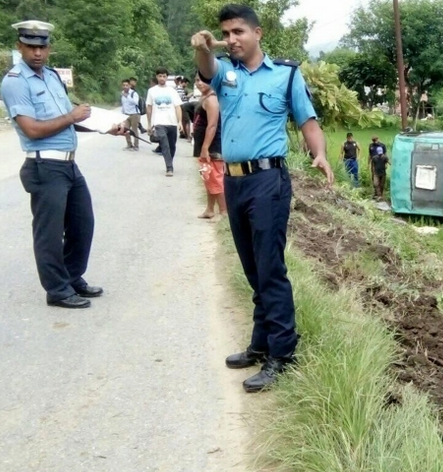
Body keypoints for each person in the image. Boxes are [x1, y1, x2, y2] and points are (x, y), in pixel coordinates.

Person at [192, 3, 334, 393]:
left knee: (270, 267)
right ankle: (260, 343)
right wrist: (203, 47)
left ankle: (283, 354)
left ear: (258, 34)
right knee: (252, 266)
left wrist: (318, 153)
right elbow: (207, 67)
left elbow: (307, 120)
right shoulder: (225, 73)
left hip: (269, 181)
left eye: (238, 32)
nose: (231, 40)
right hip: (234, 181)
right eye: (225, 33)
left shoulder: (286, 75)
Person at [0, 20, 125, 309]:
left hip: (69, 165)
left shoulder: (52, 76)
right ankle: (57, 290)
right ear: (20, 47)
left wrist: (103, 128)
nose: (37, 53)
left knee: (83, 223)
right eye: (30, 47)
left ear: (49, 49)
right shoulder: (15, 82)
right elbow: (32, 129)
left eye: (41, 47)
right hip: (44, 166)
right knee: (50, 234)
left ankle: (71, 276)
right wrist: (72, 117)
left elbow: (67, 120)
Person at [192, 73, 226, 219]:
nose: (199, 83)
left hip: (212, 146)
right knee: (207, 176)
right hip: (204, 145)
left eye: (203, 80)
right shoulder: (205, 97)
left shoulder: (212, 99)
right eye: (197, 80)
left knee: (216, 178)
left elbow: (212, 126)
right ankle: (210, 209)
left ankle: (224, 211)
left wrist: (206, 147)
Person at [146, 67, 182, 176]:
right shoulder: (152, 91)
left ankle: (170, 161)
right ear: (157, 77)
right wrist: (149, 123)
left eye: (164, 76)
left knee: (172, 146)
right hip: (159, 122)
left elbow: (177, 107)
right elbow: (149, 107)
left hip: (171, 122)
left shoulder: (172, 91)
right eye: (160, 76)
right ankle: (169, 168)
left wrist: (179, 122)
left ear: (167, 77)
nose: (162, 78)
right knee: (164, 144)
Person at [120, 78, 141, 151]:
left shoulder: (133, 93)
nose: (125, 86)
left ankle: (136, 145)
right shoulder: (122, 93)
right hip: (126, 115)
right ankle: (129, 144)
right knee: (126, 130)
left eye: (127, 85)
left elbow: (135, 102)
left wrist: (127, 96)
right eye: (124, 85)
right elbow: (123, 104)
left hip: (134, 114)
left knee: (134, 130)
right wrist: (122, 113)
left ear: (129, 85)